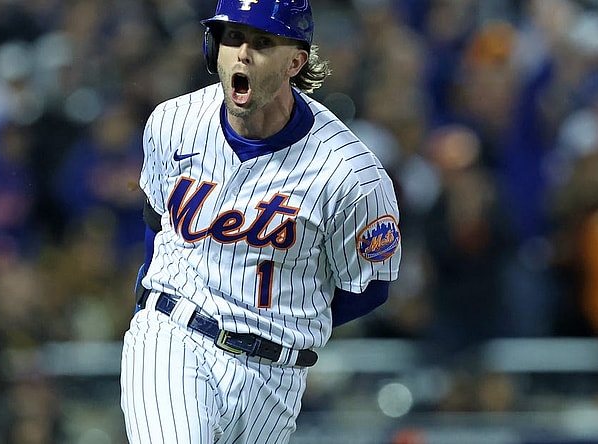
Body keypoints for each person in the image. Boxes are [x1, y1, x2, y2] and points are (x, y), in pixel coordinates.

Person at [120, 1, 401, 443]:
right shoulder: (172, 123)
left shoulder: (349, 173)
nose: (243, 54)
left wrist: (285, 318)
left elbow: (367, 289)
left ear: (296, 61)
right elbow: (155, 223)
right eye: (232, 37)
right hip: (173, 336)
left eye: (263, 42)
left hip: (275, 377)